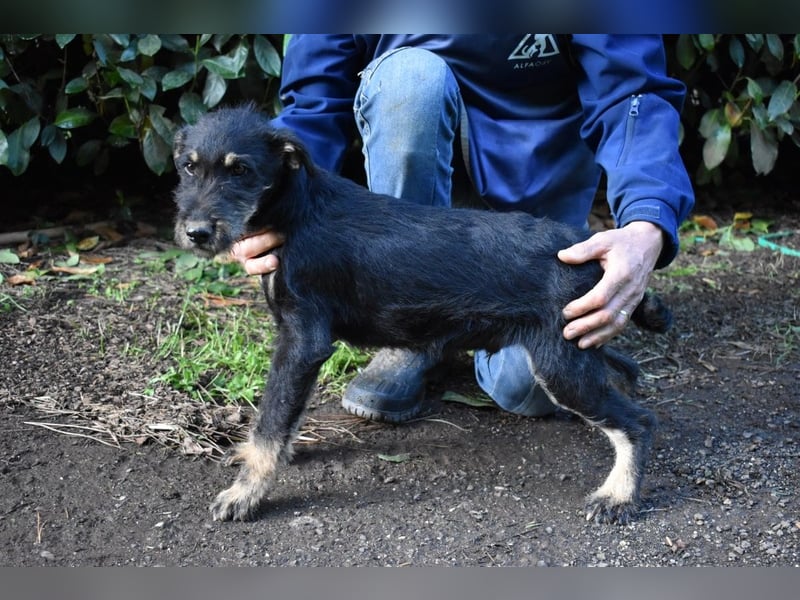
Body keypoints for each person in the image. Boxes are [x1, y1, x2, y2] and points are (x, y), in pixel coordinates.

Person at [230, 34, 695, 423]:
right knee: (409, 79)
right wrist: (271, 202)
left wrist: (645, 223)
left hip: (530, 215)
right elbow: (313, 103)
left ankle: (580, 332)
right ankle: (409, 339)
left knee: (530, 391)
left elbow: (633, 91)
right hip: (410, 222)